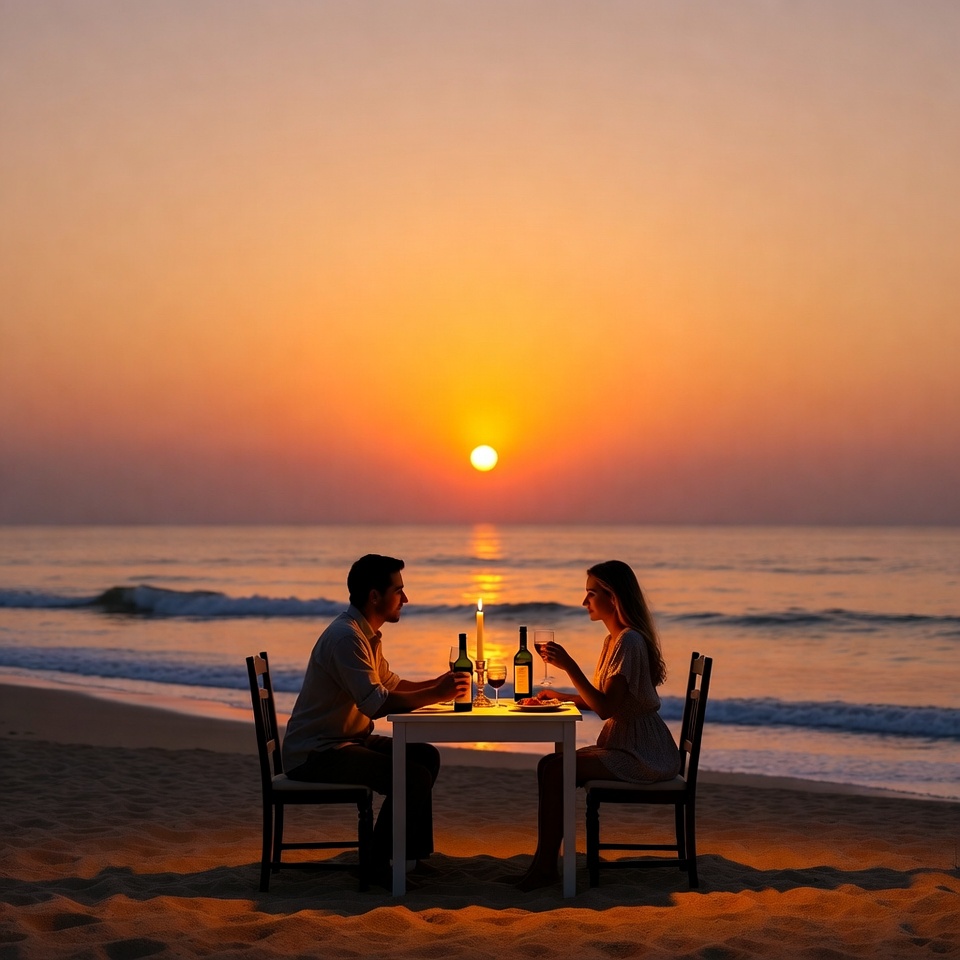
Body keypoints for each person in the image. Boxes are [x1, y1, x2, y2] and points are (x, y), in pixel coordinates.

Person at [282, 553, 469, 885]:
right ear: (374, 596)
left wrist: (439, 684)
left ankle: (409, 858)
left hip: (347, 740)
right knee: (411, 776)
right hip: (316, 752)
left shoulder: (365, 635)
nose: (405, 599)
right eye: (398, 590)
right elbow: (376, 704)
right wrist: (437, 694)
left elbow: (390, 684)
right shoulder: (346, 638)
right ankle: (376, 863)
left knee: (425, 756)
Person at [515, 559, 681, 891]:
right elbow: (604, 699)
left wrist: (569, 666)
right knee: (549, 764)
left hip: (643, 754)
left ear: (613, 596)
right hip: (628, 743)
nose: (584, 602)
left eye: (591, 593)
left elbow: (605, 709)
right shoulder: (614, 640)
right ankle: (544, 864)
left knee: (555, 769)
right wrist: (560, 697)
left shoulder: (628, 642)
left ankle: (545, 868)